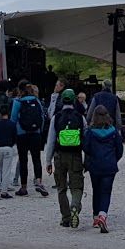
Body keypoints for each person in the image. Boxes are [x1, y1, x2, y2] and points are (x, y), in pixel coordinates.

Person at [45, 89, 87, 227]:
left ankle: (66, 217)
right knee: (77, 186)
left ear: (62, 100)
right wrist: (87, 158)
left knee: (61, 188)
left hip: (60, 155)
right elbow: (86, 139)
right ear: (74, 100)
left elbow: (51, 141)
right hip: (75, 155)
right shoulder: (80, 117)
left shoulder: (56, 117)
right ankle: (75, 205)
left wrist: (48, 161)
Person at [84, 106, 124, 233]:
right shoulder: (113, 132)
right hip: (109, 166)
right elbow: (120, 149)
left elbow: (86, 147)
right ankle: (103, 215)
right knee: (106, 191)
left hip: (95, 166)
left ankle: (96, 217)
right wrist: (114, 159)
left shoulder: (90, 132)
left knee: (96, 190)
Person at [9, 83, 50, 197]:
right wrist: (39, 130)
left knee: (23, 160)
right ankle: (39, 182)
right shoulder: (36, 101)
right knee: (36, 158)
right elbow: (42, 117)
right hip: (35, 133)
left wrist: (14, 133)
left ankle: (23, 187)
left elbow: (13, 118)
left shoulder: (18, 102)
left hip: (21, 134)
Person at [0, 112, 19, 199]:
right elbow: (15, 137)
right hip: (8, 147)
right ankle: (4, 191)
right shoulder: (12, 124)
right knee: (6, 170)